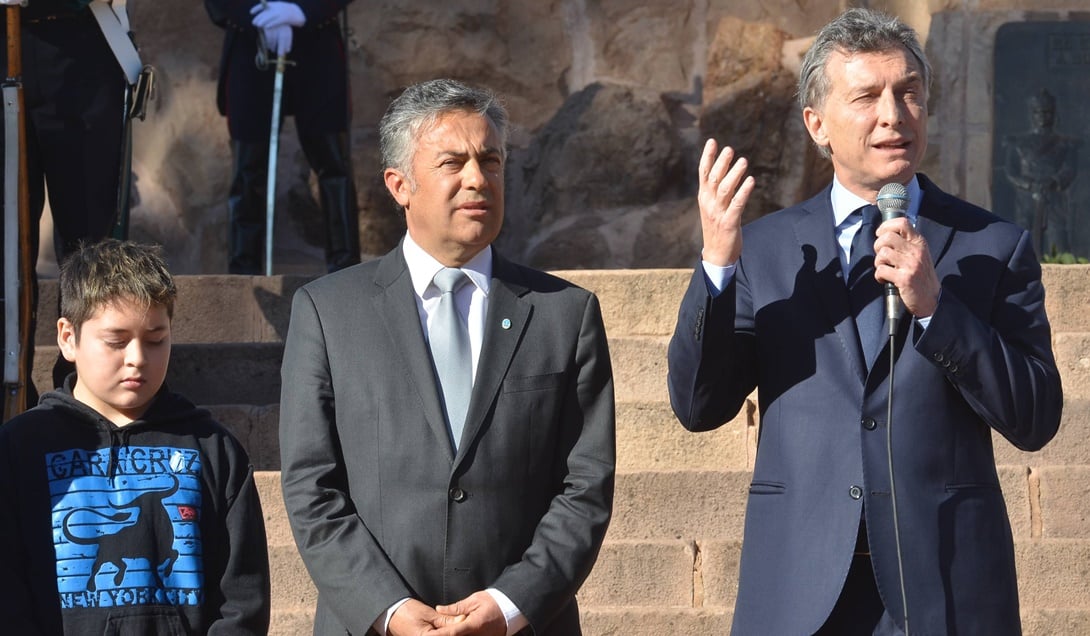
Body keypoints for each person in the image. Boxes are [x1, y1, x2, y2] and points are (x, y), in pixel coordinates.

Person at [667, 8, 1063, 635]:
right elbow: (697, 404)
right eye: (868, 96)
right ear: (816, 124)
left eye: (909, 93)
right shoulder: (766, 251)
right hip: (800, 588)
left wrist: (936, 306)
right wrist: (717, 261)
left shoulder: (992, 244)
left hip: (945, 585)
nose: (893, 114)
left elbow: (1036, 416)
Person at [279, 78, 615, 635]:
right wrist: (386, 608)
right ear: (399, 185)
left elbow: (586, 484)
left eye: (491, 160)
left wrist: (511, 603)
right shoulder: (328, 312)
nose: (477, 179)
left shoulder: (565, 314)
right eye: (452, 163)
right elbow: (312, 486)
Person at [0, 239, 271, 633]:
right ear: (67, 338)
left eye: (156, 339)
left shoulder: (214, 450)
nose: (138, 358)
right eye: (116, 341)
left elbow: (243, 598)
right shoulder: (18, 449)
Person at [1, 0, 130, 412]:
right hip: (4, 36)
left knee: (88, 238)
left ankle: (80, 392)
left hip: (80, 40)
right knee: (5, 236)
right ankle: (10, 386)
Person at [204, 0, 361, 274]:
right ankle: (243, 278)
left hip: (318, 46)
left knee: (334, 167)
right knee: (247, 171)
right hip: (250, 43)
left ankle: (346, 272)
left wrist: (304, 11)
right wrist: (254, 15)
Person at [1003, 88, 1078, 257]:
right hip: (1026, 201)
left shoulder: (1065, 145)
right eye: (1039, 113)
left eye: (1047, 112)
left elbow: (1069, 169)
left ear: (1054, 114)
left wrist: (1053, 181)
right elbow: (1011, 171)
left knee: (1058, 240)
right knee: (1024, 244)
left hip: (1054, 201)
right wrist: (1029, 184)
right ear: (1032, 114)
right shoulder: (1018, 144)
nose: (1043, 117)